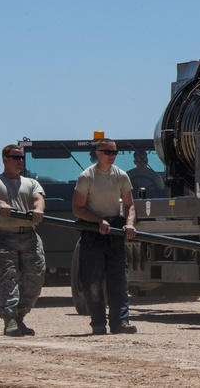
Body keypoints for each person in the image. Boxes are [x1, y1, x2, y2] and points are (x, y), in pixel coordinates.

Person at [0, 144, 46, 337]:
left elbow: (38, 198)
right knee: (7, 279)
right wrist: (0, 203)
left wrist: (38, 209)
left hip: (28, 235)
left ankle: (20, 317)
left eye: (22, 158)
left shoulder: (30, 182)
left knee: (34, 277)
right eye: (15, 157)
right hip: (2, 236)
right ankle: (9, 321)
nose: (20, 161)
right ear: (5, 159)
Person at [72, 138, 138, 335]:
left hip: (114, 232)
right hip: (93, 234)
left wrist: (129, 223)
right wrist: (98, 220)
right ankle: (98, 323)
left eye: (115, 152)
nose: (112, 156)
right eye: (108, 152)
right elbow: (77, 209)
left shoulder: (121, 176)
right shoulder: (87, 177)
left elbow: (130, 205)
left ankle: (120, 323)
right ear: (98, 153)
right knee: (92, 281)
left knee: (119, 280)